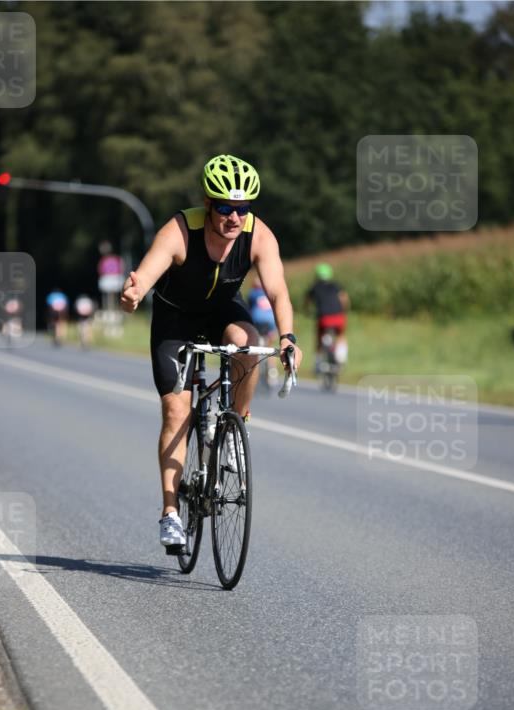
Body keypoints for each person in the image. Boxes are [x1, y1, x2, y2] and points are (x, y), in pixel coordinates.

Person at [120, 153, 302, 551]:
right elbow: (147, 274)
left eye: (242, 209)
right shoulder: (180, 230)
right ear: (207, 204)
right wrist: (134, 293)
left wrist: (288, 337)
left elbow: (277, 291)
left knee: (248, 343)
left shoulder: (259, 235)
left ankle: (236, 423)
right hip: (176, 319)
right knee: (176, 411)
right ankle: (170, 513)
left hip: (221, 310)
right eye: (224, 208)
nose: (234, 218)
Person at [304, 263, 350, 369]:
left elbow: (307, 301)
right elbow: (344, 299)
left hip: (324, 319)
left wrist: (307, 311)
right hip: (338, 317)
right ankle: (341, 356)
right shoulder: (336, 285)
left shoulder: (314, 287)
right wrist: (344, 309)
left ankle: (318, 362)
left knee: (319, 339)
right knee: (341, 335)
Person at [246, 278, 279, 387]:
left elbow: (248, 309)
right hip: (270, 322)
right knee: (270, 346)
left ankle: (253, 372)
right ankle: (272, 371)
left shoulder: (253, 294)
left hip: (257, 321)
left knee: (255, 345)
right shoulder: (269, 293)